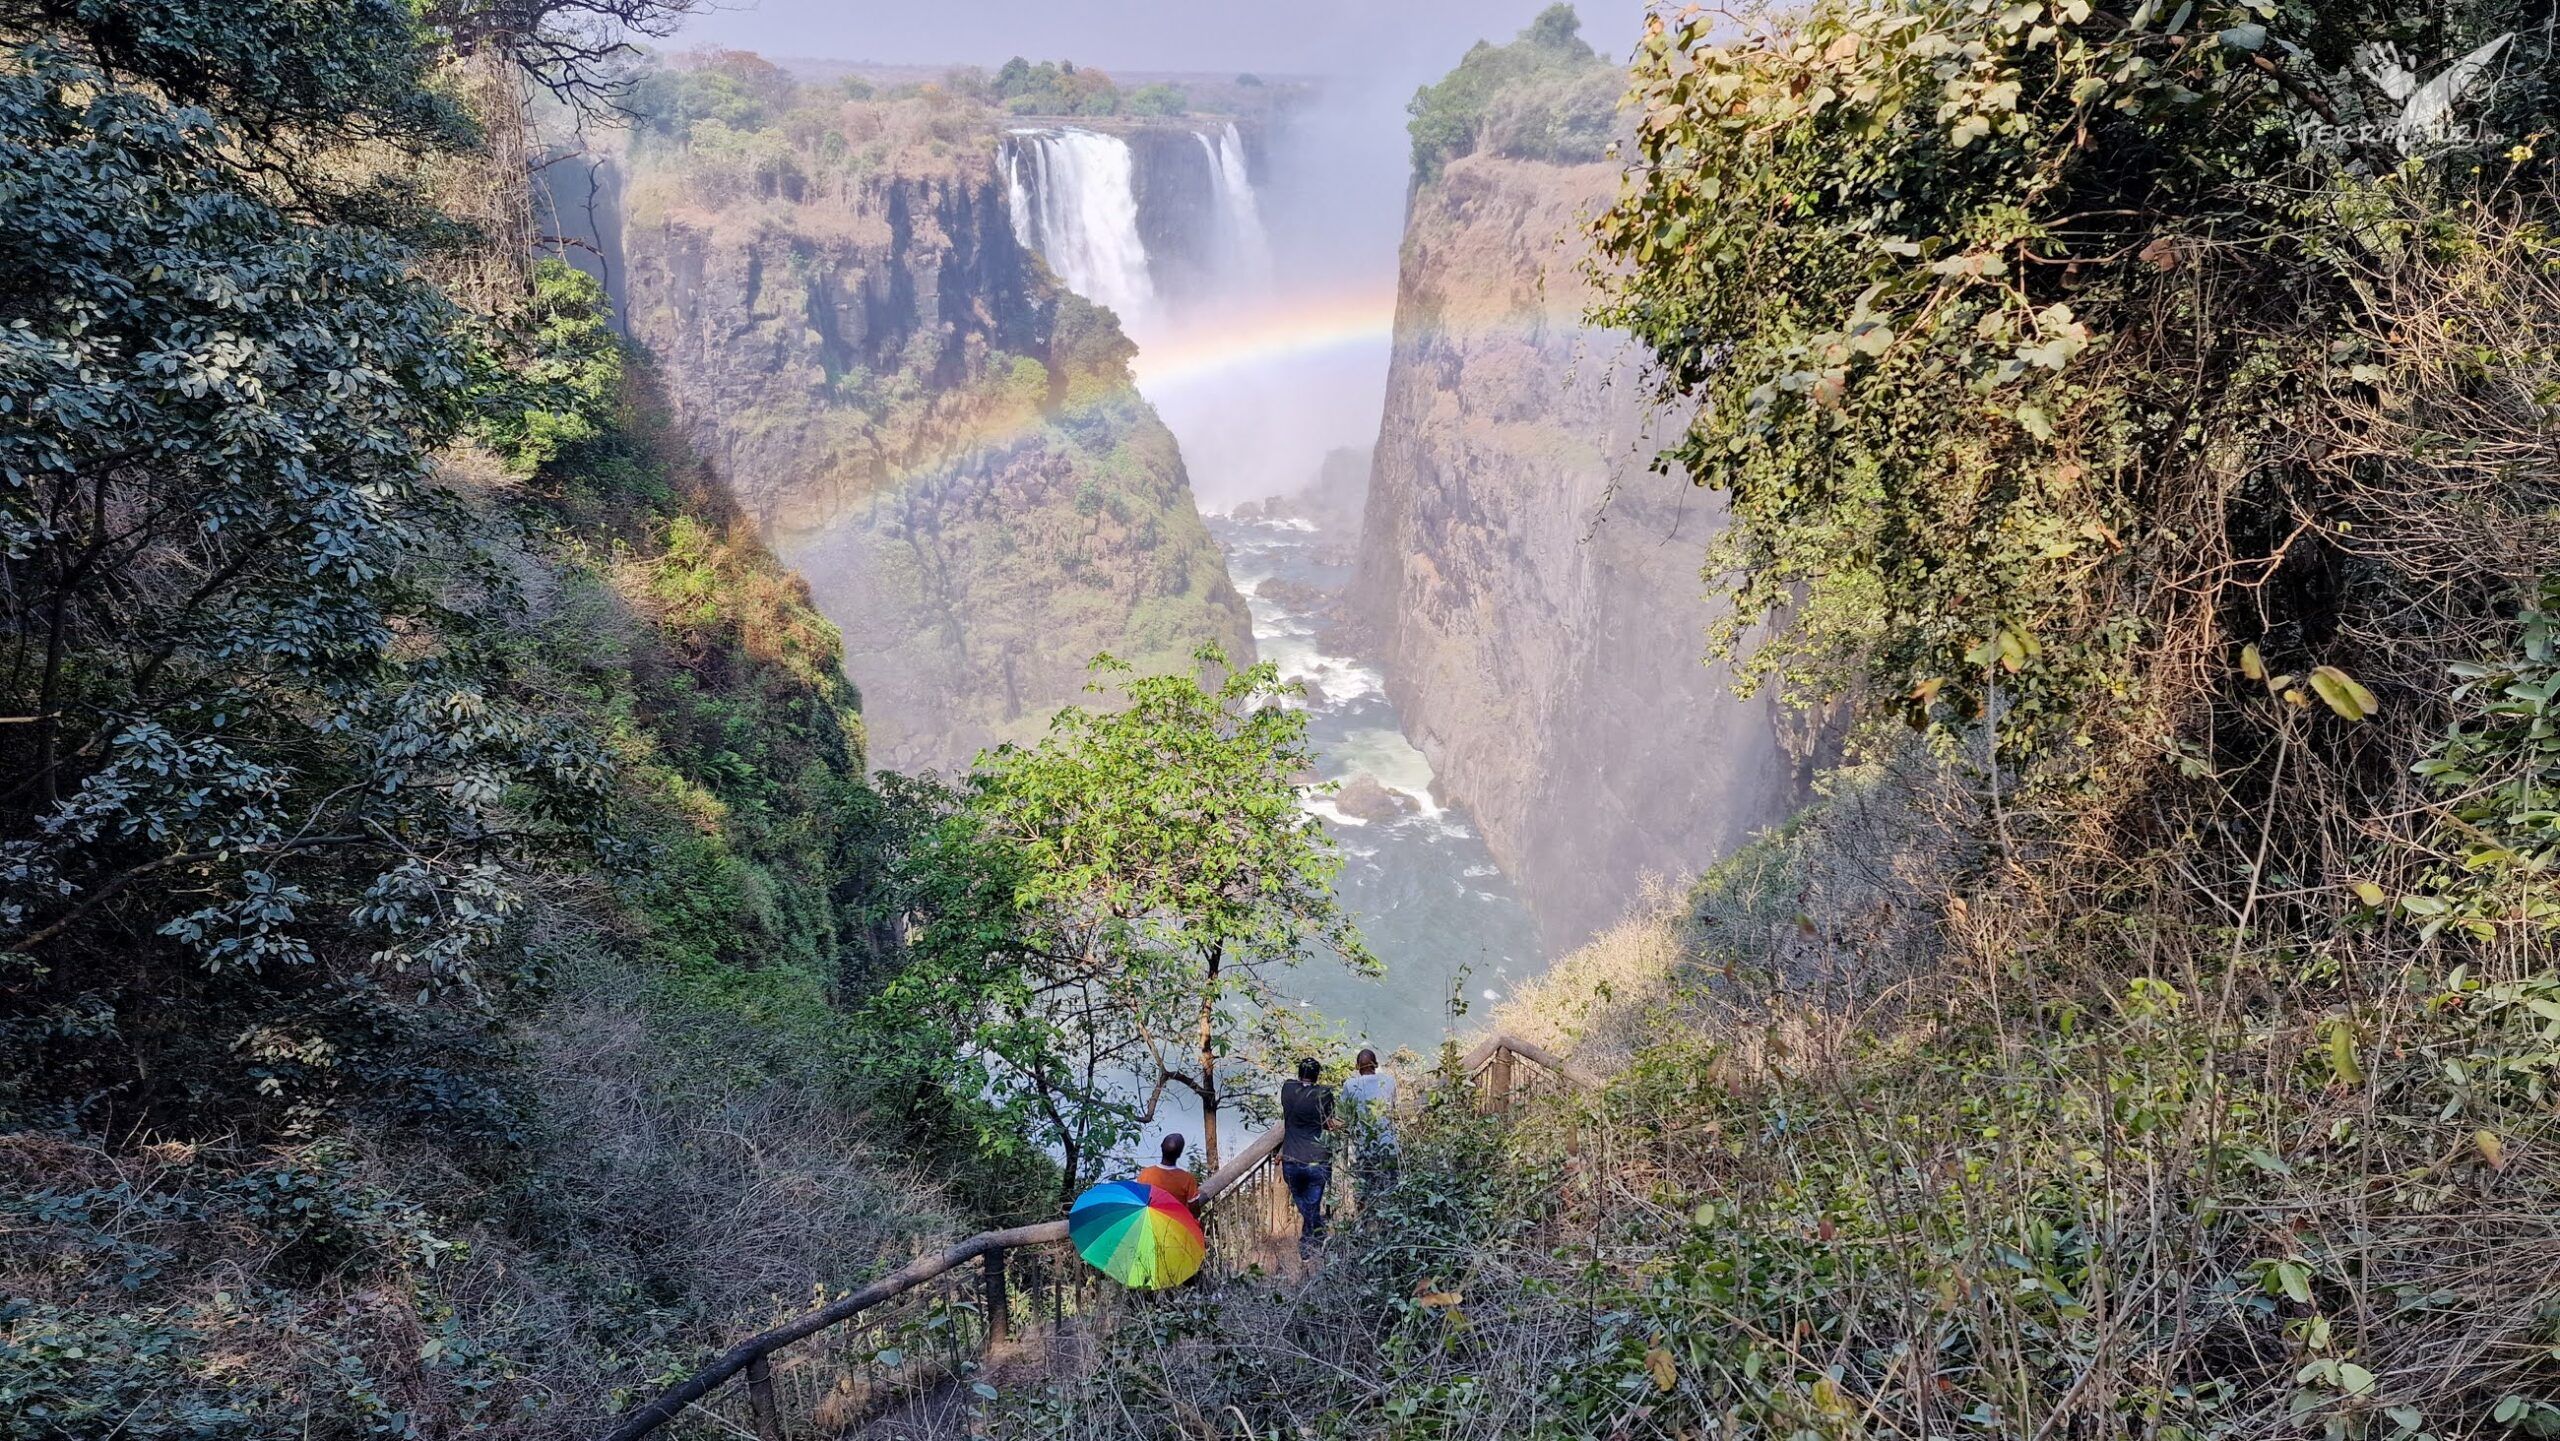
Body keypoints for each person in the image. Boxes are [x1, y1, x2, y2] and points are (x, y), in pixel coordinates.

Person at [1279, 1056, 1338, 1257]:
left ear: (1299, 1073)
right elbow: (1328, 1120)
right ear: (1317, 1075)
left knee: (1304, 1204)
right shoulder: (1324, 1094)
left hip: (1292, 1158)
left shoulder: (1287, 1089)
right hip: (1317, 1159)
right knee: (1312, 1205)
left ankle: (1309, 1243)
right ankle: (1314, 1238)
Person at [1339, 1048, 1399, 1189]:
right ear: (1376, 1065)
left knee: (1366, 1190)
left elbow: (1343, 1115)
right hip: (1388, 1144)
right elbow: (1393, 1107)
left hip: (1364, 1147)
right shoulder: (1390, 1081)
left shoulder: (1350, 1085)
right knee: (1391, 1188)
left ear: (1357, 1066)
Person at [1134, 1132, 1200, 1205]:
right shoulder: (1187, 1179)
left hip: (1150, 1212)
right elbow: (1194, 1208)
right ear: (1179, 1153)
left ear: (1161, 1147)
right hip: (1175, 1212)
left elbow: (1139, 1200)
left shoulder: (1145, 1174)